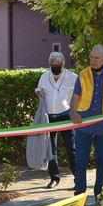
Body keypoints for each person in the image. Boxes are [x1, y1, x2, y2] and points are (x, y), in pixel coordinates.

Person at [70, 44, 103, 202]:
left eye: (97, 58)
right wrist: (74, 113)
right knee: (80, 161)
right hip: (84, 125)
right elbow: (74, 98)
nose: (93, 61)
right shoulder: (83, 74)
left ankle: (99, 193)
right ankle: (79, 194)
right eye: (92, 57)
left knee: (102, 161)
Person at [35, 52, 78, 189]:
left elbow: (80, 93)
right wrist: (38, 93)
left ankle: (78, 178)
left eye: (57, 65)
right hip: (49, 117)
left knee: (72, 149)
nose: (54, 67)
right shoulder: (44, 76)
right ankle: (54, 178)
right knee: (50, 150)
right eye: (52, 65)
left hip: (66, 116)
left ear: (62, 64)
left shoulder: (72, 77)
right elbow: (38, 90)